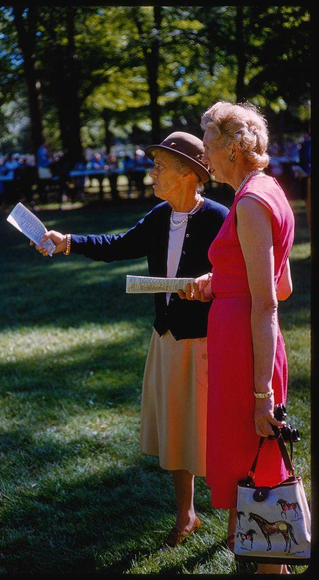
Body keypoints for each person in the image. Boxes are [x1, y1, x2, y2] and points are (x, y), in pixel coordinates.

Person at [31, 131, 229, 549]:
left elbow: (241, 277)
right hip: (168, 338)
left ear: (188, 175)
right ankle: (186, 515)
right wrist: (69, 242)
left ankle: (235, 522)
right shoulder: (159, 216)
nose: (151, 173)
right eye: (153, 163)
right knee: (177, 428)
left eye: (159, 166)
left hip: (210, 342)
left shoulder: (220, 218)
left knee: (216, 433)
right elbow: (119, 244)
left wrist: (211, 286)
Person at [179, 102, 294, 575]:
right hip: (241, 345)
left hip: (248, 355)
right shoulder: (266, 190)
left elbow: (268, 302)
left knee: (260, 464)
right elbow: (282, 284)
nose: (204, 155)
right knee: (252, 464)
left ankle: (275, 569)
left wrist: (262, 393)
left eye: (207, 145)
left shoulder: (249, 202)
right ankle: (268, 565)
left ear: (231, 148)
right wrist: (220, 280)